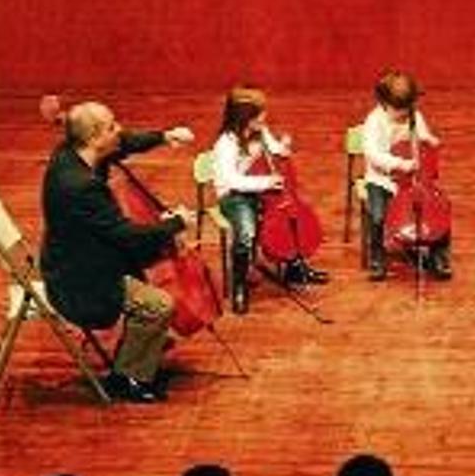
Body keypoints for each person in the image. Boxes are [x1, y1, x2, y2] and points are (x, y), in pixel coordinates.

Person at [40, 101, 195, 402]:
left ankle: (142, 350)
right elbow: (125, 236)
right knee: (158, 305)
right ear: (96, 137)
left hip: (75, 254)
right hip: (80, 279)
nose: (119, 130)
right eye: (112, 126)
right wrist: (175, 224)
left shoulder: (72, 154)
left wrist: (163, 137)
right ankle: (127, 378)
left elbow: (123, 143)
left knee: (153, 254)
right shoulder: (79, 187)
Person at [212, 85, 328, 313]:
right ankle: (240, 285)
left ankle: (295, 267)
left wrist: (282, 148)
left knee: (290, 218)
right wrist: (265, 182)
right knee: (246, 232)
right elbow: (232, 180)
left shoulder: (260, 131)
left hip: (260, 185)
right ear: (244, 118)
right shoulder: (226, 144)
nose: (264, 117)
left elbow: (274, 150)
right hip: (235, 195)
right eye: (259, 114)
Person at [361, 70, 452, 281]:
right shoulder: (374, 122)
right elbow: (373, 155)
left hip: (413, 181)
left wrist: (429, 140)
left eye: (407, 108)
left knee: (439, 207)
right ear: (383, 103)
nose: (403, 114)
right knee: (377, 216)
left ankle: (438, 255)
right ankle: (377, 256)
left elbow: (421, 136)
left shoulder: (414, 116)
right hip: (382, 180)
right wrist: (400, 164)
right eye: (398, 110)